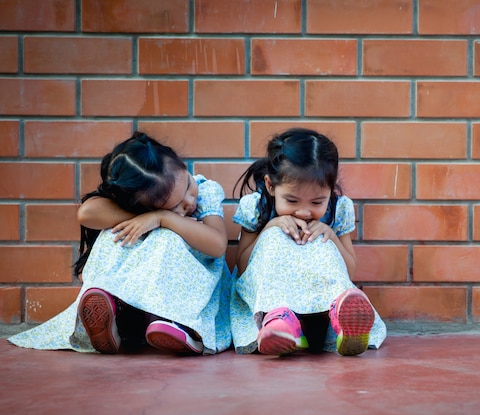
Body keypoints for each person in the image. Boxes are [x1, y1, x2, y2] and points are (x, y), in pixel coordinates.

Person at [9, 132, 232, 355]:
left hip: (190, 297)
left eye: (187, 187)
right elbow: (87, 213)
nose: (190, 202)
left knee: (167, 237)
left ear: (182, 165)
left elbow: (217, 244)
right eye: (172, 207)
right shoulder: (139, 202)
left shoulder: (206, 190)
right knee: (115, 233)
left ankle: (178, 325)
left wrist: (163, 218)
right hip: (138, 299)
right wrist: (143, 216)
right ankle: (112, 310)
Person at [230, 127, 386, 356]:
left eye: (316, 202)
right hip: (268, 303)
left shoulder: (338, 208)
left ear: (330, 192)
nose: (303, 212)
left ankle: (340, 319)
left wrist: (330, 236)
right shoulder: (257, 206)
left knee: (321, 240)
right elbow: (243, 268)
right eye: (292, 200)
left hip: (318, 314)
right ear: (271, 186)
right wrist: (270, 228)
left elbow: (349, 269)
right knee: (275, 237)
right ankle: (277, 319)